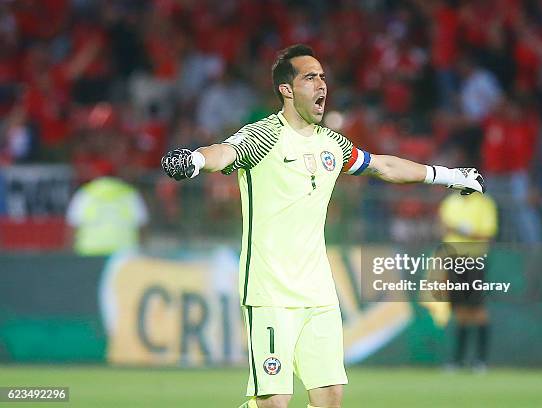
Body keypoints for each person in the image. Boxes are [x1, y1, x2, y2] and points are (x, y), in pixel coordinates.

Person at [161, 44, 485, 408]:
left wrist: (447, 175)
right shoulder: (263, 136)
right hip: (271, 293)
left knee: (330, 399)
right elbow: (225, 152)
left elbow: (383, 166)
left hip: (319, 293)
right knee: (274, 403)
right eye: (310, 77)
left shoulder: (333, 143)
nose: (321, 86)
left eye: (323, 77)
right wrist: (193, 159)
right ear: (286, 89)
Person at [438, 191, 498, 372]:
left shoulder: (484, 203)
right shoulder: (451, 201)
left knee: (478, 310)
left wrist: (462, 230)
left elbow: (486, 234)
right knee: (460, 312)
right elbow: (443, 228)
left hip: (473, 260)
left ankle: (481, 360)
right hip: (453, 259)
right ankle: (458, 360)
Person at [66, 175, 148, 256]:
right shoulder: (130, 193)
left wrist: (70, 251)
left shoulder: (85, 193)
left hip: (90, 251)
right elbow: (142, 225)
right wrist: (142, 250)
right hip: (125, 253)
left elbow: (72, 226)